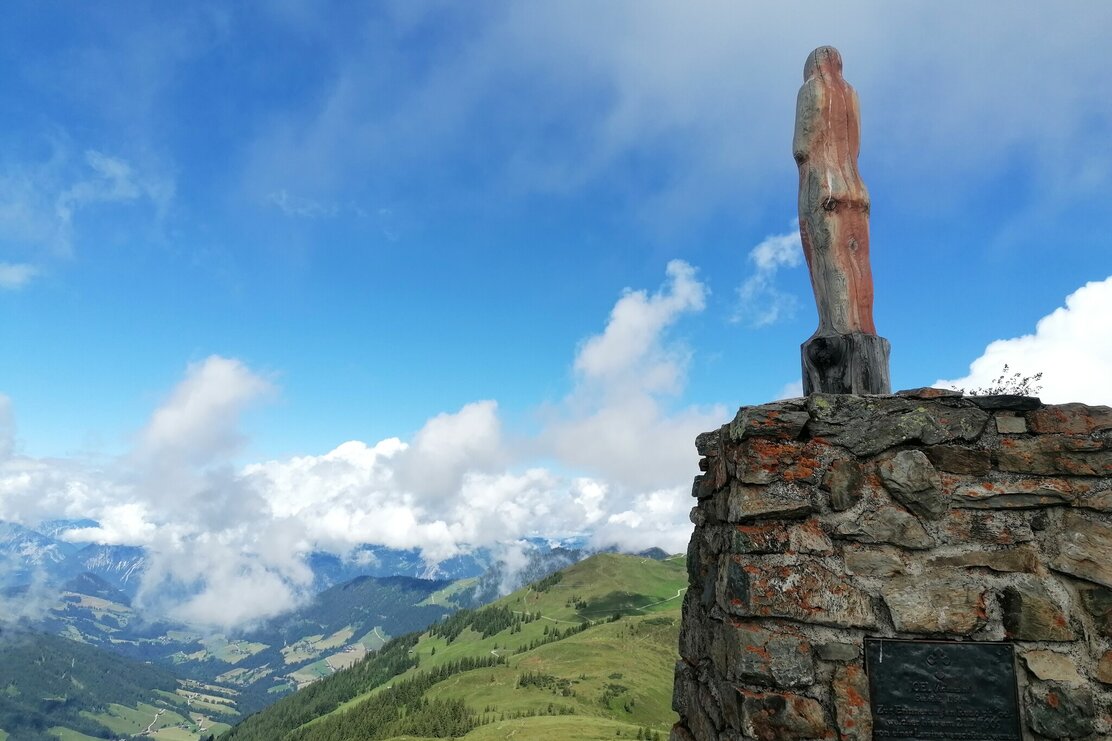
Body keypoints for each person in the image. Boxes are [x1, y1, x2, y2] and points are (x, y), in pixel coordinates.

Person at [793, 46, 877, 337]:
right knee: (859, 260)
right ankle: (865, 330)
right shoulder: (852, 94)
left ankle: (836, 328)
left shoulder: (812, 88)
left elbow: (802, 147)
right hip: (855, 183)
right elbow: (857, 146)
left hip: (824, 181)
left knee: (827, 256)